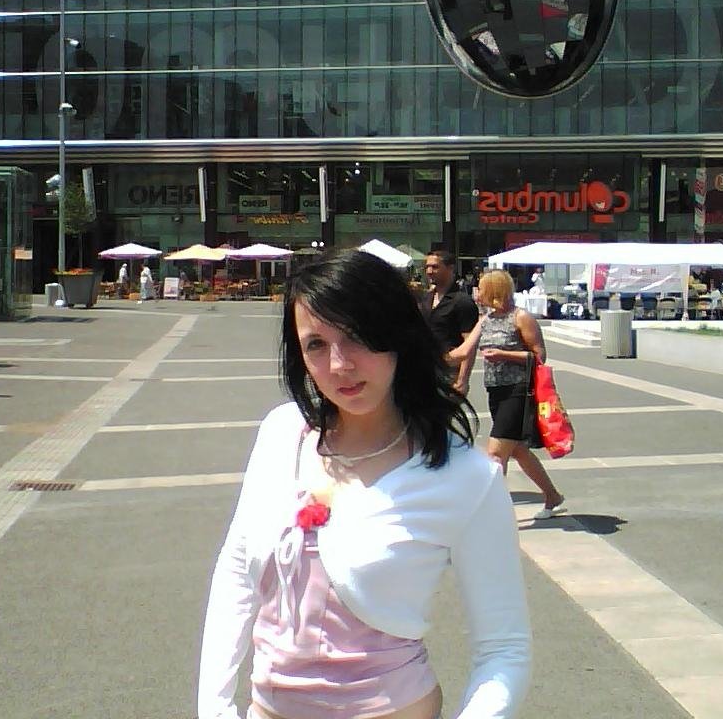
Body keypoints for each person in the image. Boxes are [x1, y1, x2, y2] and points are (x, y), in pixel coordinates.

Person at [198, 250, 531, 719]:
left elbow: (503, 648)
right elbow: (237, 570)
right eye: (316, 344)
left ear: (397, 335)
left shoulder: (466, 476)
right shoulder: (282, 433)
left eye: (357, 337)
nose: (340, 365)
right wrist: (214, 708)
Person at [449, 270, 566, 522]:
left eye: (481, 288)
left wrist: (504, 355)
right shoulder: (486, 319)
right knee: (518, 450)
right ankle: (552, 495)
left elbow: (539, 356)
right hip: (496, 390)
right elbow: (462, 352)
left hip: (519, 390)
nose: (477, 293)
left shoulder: (521, 317)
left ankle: (493, 514)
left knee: (495, 454)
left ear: (495, 290)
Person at [421, 250, 479, 396]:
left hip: (450, 371)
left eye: (435, 267)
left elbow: (469, 344)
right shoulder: (426, 298)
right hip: (425, 367)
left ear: (450, 268)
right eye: (427, 267)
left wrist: (463, 379)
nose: (429, 271)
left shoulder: (462, 302)